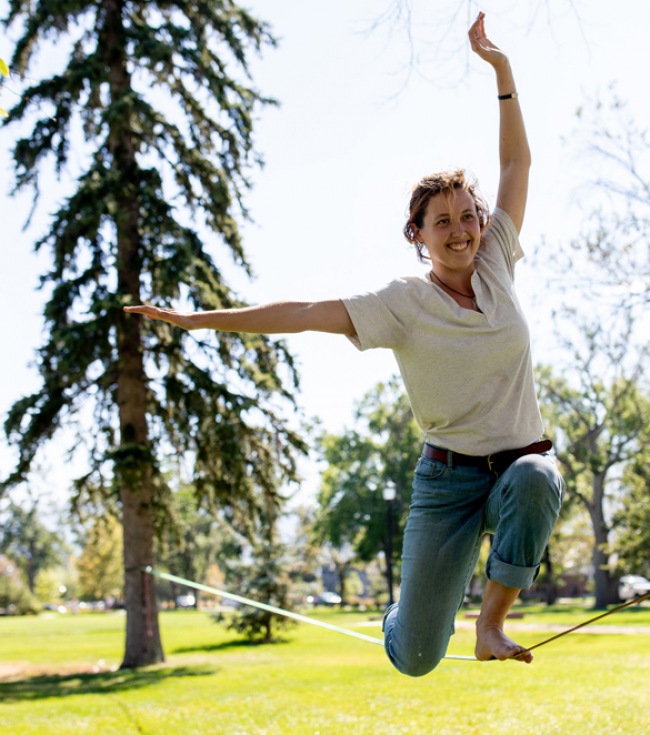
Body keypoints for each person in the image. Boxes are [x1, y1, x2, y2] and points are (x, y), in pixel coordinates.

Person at [124, 12, 564, 676]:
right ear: (416, 233)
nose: (461, 230)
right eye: (441, 221)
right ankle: (407, 615)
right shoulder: (402, 303)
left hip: (515, 466)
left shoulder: (498, 258)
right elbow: (302, 312)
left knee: (538, 477)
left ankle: (491, 623)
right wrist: (198, 320)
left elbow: (516, 161)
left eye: (468, 217)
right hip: (446, 480)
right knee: (415, 656)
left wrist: (502, 71)